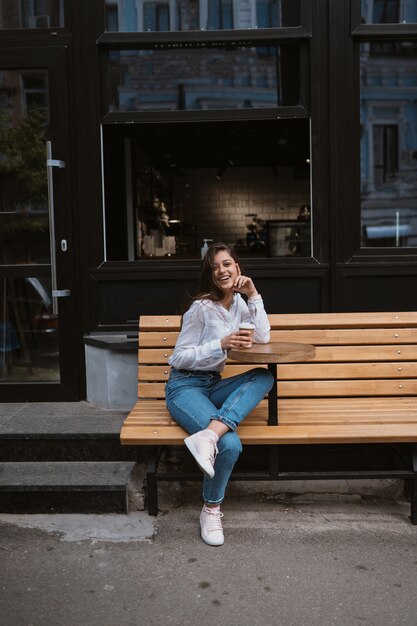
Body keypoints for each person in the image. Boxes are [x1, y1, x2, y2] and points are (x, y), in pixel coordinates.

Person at [165, 242, 273, 546]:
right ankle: (211, 509)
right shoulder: (200, 308)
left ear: (237, 268)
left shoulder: (240, 304)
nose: (222, 270)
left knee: (264, 376)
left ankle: (208, 435)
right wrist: (221, 344)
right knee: (231, 444)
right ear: (210, 275)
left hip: (212, 384)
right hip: (184, 386)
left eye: (227, 264)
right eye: (215, 267)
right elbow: (178, 358)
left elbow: (263, 338)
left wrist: (253, 295)